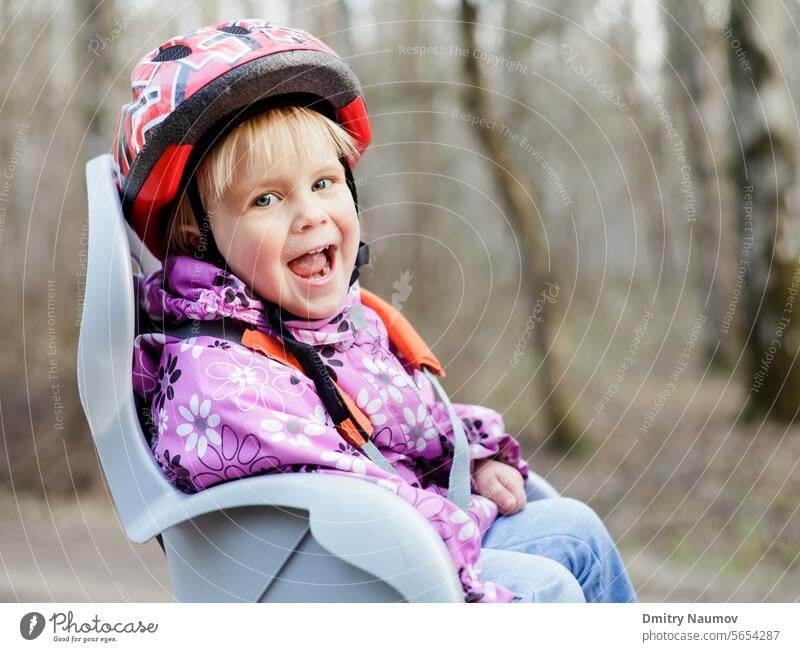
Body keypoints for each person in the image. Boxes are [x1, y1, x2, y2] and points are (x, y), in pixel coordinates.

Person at [118, 18, 636, 603]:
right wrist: (468, 526)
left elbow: (396, 419)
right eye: (266, 198)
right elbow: (356, 499)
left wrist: (468, 455)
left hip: (416, 541)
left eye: (323, 182)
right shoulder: (220, 377)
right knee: (550, 590)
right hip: (349, 581)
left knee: (580, 534)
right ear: (198, 232)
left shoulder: (324, 330)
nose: (310, 214)